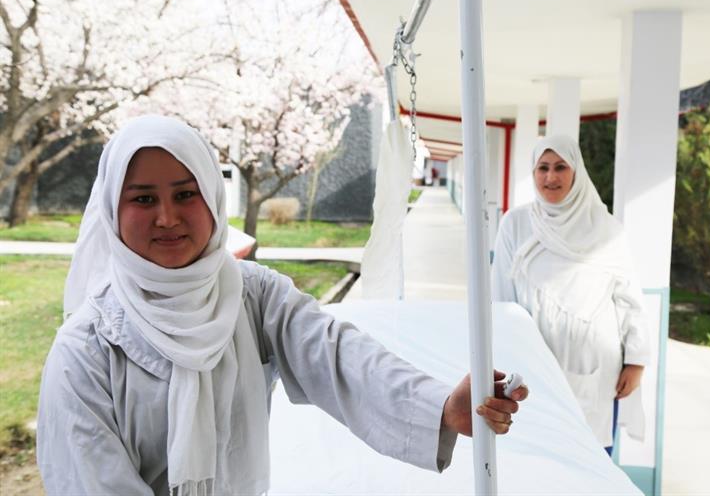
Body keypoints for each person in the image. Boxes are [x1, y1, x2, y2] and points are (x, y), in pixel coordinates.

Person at [37, 115, 529, 495]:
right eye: (143, 199)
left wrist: (440, 407)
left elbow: (338, 356)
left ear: (212, 197)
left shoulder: (250, 296)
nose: (168, 217)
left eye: (185, 194)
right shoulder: (86, 349)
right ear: (110, 211)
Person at [491, 134, 648, 453]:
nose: (551, 177)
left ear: (576, 171)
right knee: (536, 458)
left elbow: (629, 299)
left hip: (595, 370)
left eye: (560, 167)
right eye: (543, 167)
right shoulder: (516, 223)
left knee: (589, 459)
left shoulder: (606, 229)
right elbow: (501, 297)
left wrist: (636, 362)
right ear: (533, 173)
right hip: (533, 363)